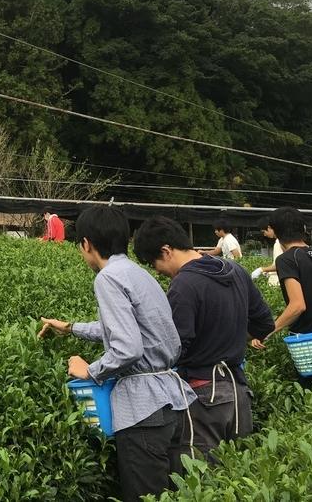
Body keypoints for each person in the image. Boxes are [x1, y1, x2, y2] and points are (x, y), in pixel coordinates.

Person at [38, 206, 194, 502]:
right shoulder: (138, 273)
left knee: (144, 496)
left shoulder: (107, 278)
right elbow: (129, 329)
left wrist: (91, 370)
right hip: (171, 402)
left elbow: (128, 348)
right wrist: (71, 327)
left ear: (86, 243)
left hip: (142, 409)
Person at [134, 216, 274, 459]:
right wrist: (230, 336)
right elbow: (264, 324)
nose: (157, 271)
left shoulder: (184, 284)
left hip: (204, 397)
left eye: (153, 263)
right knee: (238, 475)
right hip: (239, 393)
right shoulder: (235, 270)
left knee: (197, 475)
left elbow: (176, 347)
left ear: (166, 251)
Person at [251, 208, 312, 384]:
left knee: (311, 390)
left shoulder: (286, 259)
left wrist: (267, 331)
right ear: (303, 228)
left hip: (306, 339)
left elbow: (298, 305)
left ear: (275, 230)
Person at [250, 216, 283, 286]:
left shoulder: (279, 242)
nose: (264, 234)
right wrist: (268, 271)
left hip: (278, 282)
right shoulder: (281, 240)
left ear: (269, 228)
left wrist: (262, 269)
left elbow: (279, 265)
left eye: (264, 232)